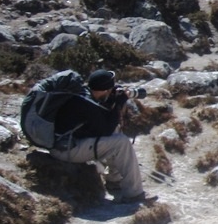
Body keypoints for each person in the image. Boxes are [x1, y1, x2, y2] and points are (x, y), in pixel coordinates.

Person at [48, 69, 156, 204]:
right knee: (121, 142)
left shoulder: (83, 95)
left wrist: (112, 100)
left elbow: (103, 123)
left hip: (66, 143)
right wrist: (119, 102)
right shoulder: (86, 104)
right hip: (66, 149)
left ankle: (115, 180)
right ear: (105, 90)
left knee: (116, 132)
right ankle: (134, 194)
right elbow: (105, 128)